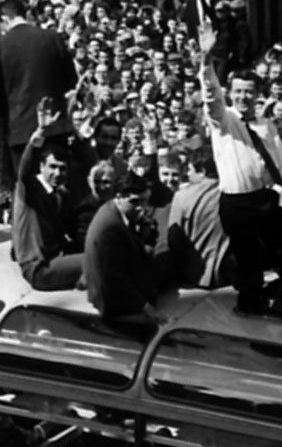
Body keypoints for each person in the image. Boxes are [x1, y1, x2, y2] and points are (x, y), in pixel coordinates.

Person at [198, 18, 282, 313]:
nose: (244, 97)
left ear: (257, 95)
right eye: (239, 91)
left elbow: (279, 163)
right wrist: (206, 60)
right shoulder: (224, 120)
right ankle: (249, 307)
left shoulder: (266, 125)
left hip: (264, 197)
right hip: (237, 202)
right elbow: (211, 96)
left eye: (249, 92)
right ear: (232, 93)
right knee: (249, 261)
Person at [0, 0, 79, 203]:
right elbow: (72, 80)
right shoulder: (52, 38)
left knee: (28, 195)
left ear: (4, 19)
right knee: (59, 192)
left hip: (19, 133)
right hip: (56, 129)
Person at [83, 166, 164, 325]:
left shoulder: (114, 211)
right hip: (113, 303)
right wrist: (147, 308)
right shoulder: (110, 227)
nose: (141, 208)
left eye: (144, 202)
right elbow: (114, 279)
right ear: (119, 197)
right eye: (134, 202)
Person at [12, 139, 85, 292]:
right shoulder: (29, 189)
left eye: (62, 169)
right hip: (38, 269)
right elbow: (23, 170)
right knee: (96, 259)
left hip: (55, 261)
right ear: (41, 166)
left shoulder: (61, 196)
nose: (57, 173)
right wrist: (36, 137)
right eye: (52, 167)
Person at [160, 144, 231, 290]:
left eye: (190, 170)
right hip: (229, 274)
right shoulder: (233, 193)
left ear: (202, 171)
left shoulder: (182, 197)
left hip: (194, 277)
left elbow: (174, 240)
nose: (187, 174)